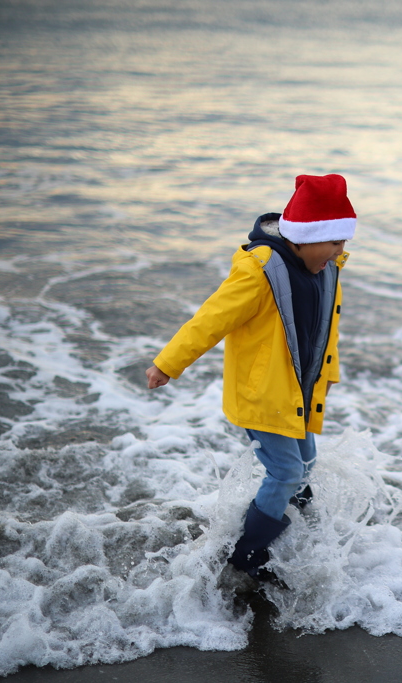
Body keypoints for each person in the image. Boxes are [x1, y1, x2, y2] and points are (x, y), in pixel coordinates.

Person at [145, 174, 356, 585]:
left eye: (343, 243)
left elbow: (325, 329)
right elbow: (211, 318)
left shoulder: (326, 270)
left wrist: (328, 373)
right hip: (262, 395)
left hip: (295, 392)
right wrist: (168, 363)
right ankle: (247, 555)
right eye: (333, 243)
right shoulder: (259, 271)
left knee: (305, 463)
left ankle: (289, 516)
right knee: (286, 472)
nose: (339, 253)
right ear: (304, 237)